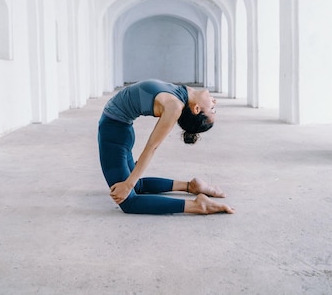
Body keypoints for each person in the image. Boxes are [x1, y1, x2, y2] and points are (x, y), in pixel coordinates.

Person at [98, 79, 234, 215]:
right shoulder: (184, 93)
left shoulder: (174, 106)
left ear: (196, 109)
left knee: (129, 202)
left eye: (212, 109)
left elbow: (152, 147)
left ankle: (198, 206)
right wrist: (130, 183)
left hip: (113, 133)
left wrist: (128, 185)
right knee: (136, 185)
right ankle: (191, 186)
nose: (214, 102)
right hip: (121, 130)